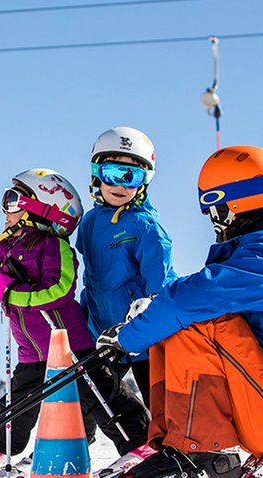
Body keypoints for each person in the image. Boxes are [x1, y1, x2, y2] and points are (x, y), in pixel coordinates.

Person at [95, 146, 263, 478]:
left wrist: (127, 339)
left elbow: (185, 301)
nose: (213, 219)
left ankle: (199, 451)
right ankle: (173, 445)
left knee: (192, 317)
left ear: (230, 206)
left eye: (213, 208)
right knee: (170, 315)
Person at [0, 167, 148, 478]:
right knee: (16, 407)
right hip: (32, 354)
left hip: (71, 347)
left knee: (102, 398)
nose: (5, 209)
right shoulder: (5, 249)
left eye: (12, 200)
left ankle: (140, 448)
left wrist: (12, 293)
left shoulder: (54, 247)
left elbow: (60, 289)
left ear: (40, 209)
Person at [75, 127, 176, 407]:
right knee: (90, 400)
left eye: (131, 177)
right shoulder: (90, 222)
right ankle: (73, 447)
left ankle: (163, 446)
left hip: (141, 334)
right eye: (112, 175)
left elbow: (161, 283)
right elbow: (91, 277)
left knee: (159, 403)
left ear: (144, 182)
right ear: (97, 174)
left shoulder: (147, 227)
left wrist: (148, 314)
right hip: (102, 331)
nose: (120, 186)